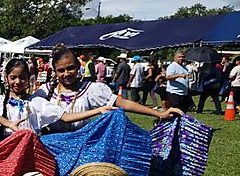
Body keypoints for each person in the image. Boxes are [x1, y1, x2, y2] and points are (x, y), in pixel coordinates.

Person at [34, 46, 182, 133]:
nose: (66, 74)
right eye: (61, 70)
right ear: (54, 71)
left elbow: (124, 104)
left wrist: (159, 113)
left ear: (79, 67)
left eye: (70, 68)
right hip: (51, 148)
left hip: (84, 147)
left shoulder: (91, 90)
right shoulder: (44, 92)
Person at [0, 58, 114, 138]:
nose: (18, 82)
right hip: (5, 151)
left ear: (29, 78)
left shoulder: (37, 102)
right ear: (6, 78)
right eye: (13, 77)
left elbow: (65, 117)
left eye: (22, 77)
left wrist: (98, 110)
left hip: (29, 152)